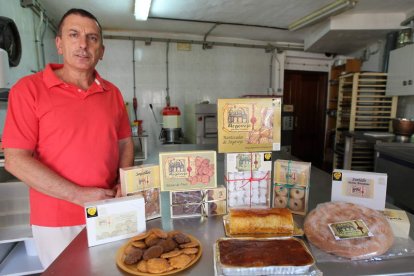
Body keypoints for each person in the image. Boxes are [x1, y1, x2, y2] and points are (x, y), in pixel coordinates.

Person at [2, 8, 134, 268]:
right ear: (59, 44)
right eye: (74, 35)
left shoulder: (112, 93)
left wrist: (125, 180)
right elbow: (15, 160)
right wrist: (79, 195)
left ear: (102, 50)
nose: (83, 44)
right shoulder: (28, 90)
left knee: (113, 271)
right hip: (56, 221)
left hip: (109, 212)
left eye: (92, 38)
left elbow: (125, 143)